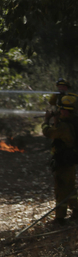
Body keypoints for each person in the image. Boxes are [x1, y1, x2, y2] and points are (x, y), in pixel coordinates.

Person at [43, 94, 78, 224]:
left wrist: (46, 120)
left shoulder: (64, 126)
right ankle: (76, 211)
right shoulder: (74, 120)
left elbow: (49, 133)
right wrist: (57, 120)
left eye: (62, 109)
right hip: (72, 158)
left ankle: (60, 217)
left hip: (63, 159)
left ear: (66, 110)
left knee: (61, 188)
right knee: (70, 186)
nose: (60, 111)